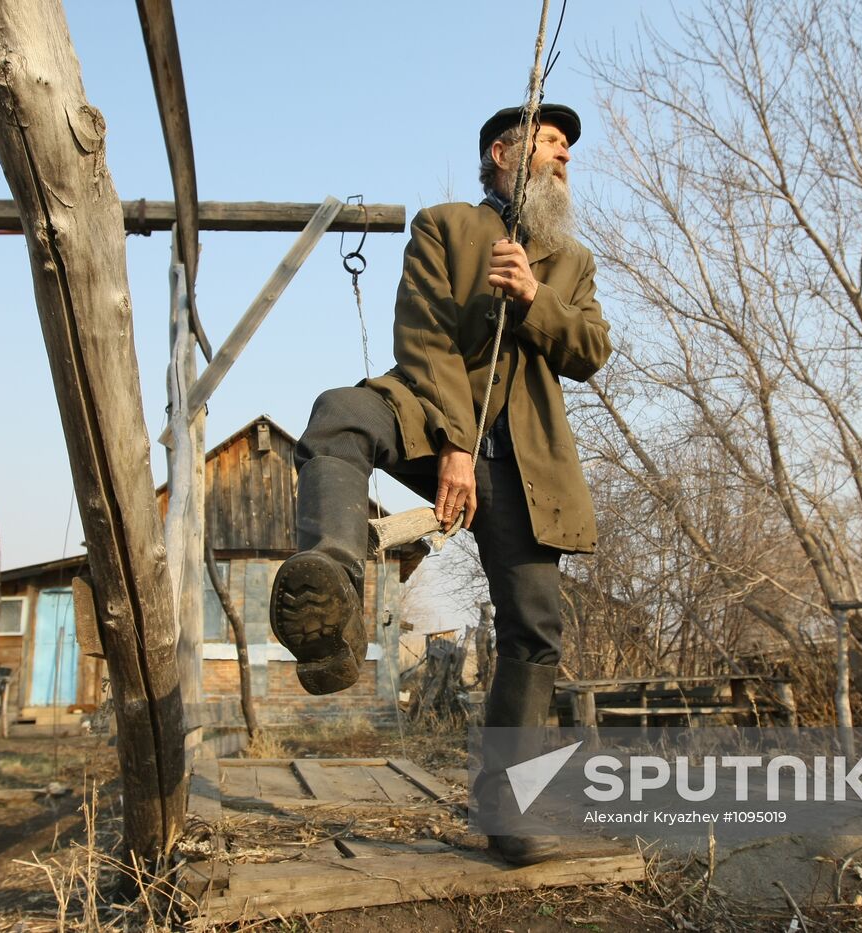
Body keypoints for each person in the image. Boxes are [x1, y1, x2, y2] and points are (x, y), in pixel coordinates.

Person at [270, 104, 611, 864]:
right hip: (433, 413)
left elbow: (590, 348)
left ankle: (506, 811)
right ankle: (331, 586)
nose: (564, 159)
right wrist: (456, 442)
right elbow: (421, 334)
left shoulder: (571, 261)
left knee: (534, 628)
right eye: (551, 144)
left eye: (567, 151)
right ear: (503, 152)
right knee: (339, 416)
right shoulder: (446, 225)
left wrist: (532, 297)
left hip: (524, 459)